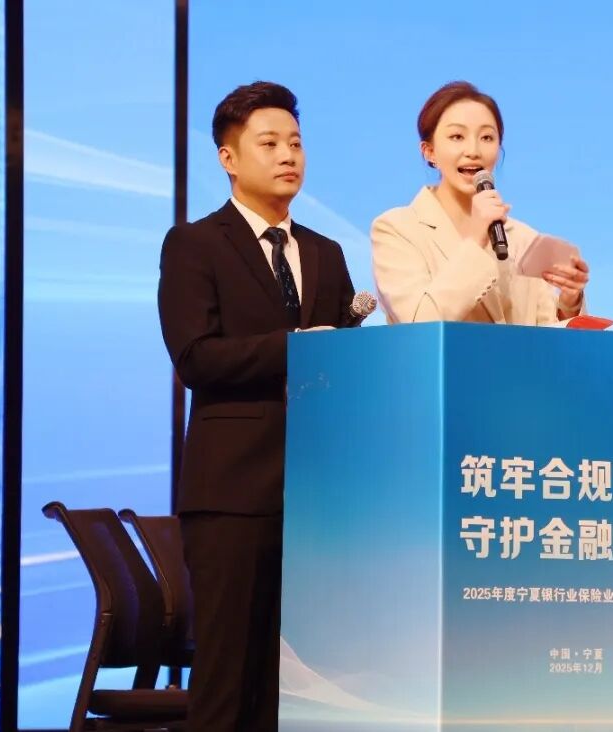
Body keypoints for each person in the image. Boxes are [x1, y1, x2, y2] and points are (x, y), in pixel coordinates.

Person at [157, 81, 356, 731]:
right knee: (228, 677)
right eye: (268, 143)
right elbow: (196, 358)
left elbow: (343, 369)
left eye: (295, 143)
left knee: (299, 690)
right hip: (233, 492)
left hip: (319, 500)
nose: (287, 155)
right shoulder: (194, 244)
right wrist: (297, 347)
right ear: (228, 157)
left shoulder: (326, 253)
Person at [371, 81, 590, 324]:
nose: (473, 151)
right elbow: (420, 324)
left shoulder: (525, 239)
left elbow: (545, 333)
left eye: (487, 137)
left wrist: (569, 302)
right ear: (429, 151)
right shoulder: (396, 229)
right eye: (457, 136)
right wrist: (476, 240)